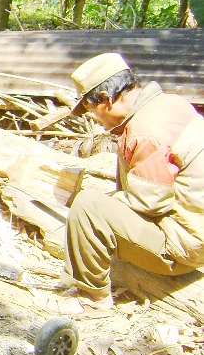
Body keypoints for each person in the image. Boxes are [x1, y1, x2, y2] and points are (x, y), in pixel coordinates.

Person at [55, 53, 204, 315]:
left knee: (88, 206)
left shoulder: (145, 130)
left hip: (185, 244)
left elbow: (149, 202)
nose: (97, 121)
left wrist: (100, 210)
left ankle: (91, 298)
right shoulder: (169, 104)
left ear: (105, 99)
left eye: (93, 112)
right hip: (193, 228)